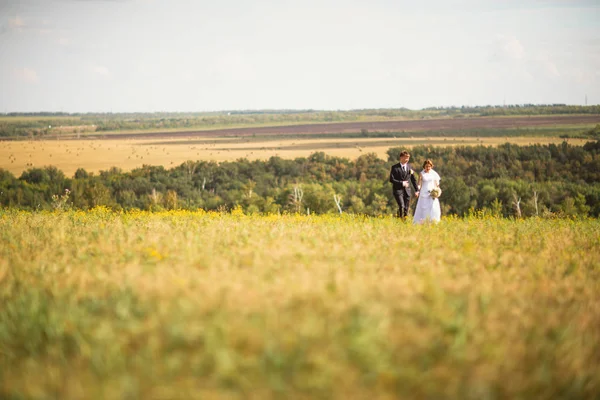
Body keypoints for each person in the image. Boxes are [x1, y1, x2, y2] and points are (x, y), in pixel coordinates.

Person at [389, 150, 420, 218]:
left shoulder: (409, 167)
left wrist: (417, 190)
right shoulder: (395, 167)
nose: (407, 159)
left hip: (407, 190)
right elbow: (391, 179)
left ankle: (404, 221)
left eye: (408, 158)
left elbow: (413, 180)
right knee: (401, 206)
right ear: (401, 158)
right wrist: (401, 183)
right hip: (398, 190)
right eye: (406, 158)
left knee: (406, 208)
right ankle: (400, 219)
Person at [413, 159, 441, 224]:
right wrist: (418, 191)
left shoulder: (434, 174)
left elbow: (437, 184)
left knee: (433, 207)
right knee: (424, 208)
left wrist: (437, 191)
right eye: (426, 166)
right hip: (424, 192)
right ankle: (422, 221)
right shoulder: (421, 174)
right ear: (424, 166)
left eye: (429, 166)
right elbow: (419, 184)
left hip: (432, 193)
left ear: (431, 166)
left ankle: (432, 221)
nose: (428, 168)